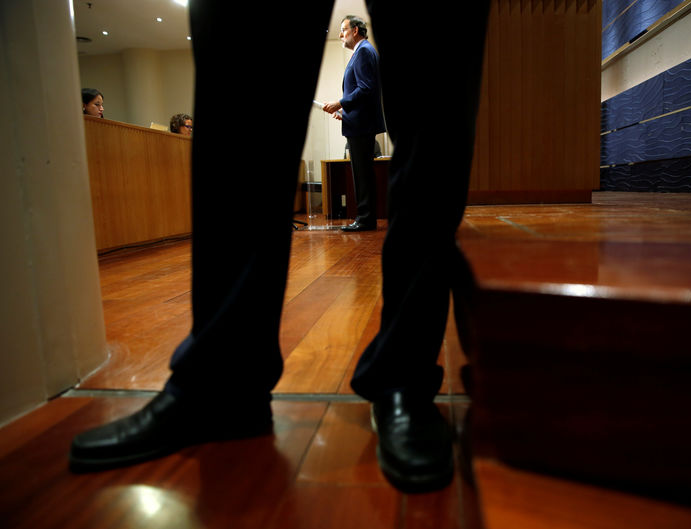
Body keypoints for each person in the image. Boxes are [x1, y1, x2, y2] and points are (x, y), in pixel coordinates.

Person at [69, 1, 490, 494]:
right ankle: (223, 384)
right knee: (239, 63)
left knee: (434, 94)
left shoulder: (363, 54)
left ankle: (405, 373)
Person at [323, 16, 385, 232]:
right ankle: (365, 217)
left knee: (362, 174)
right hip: (359, 122)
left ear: (356, 30)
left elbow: (366, 88)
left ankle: (366, 219)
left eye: (343, 30)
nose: (340, 34)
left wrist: (339, 102)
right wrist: (344, 112)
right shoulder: (363, 51)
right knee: (362, 173)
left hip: (362, 126)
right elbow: (362, 93)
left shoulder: (364, 51)